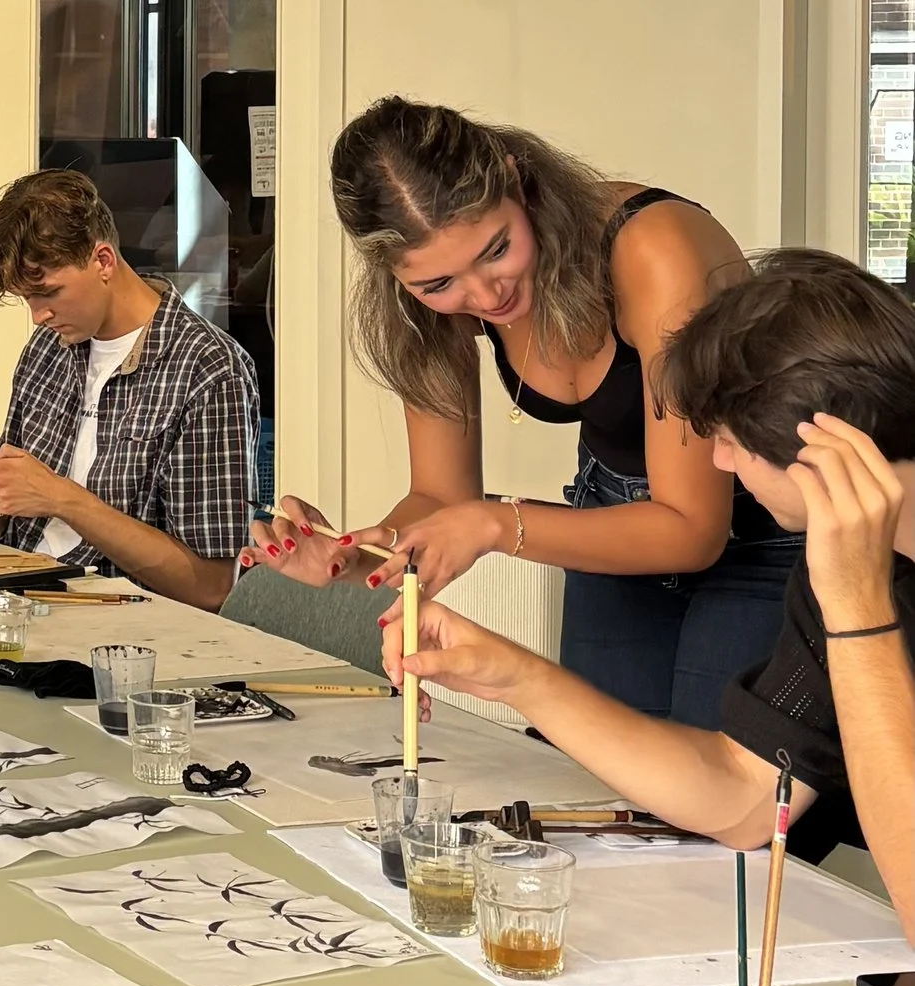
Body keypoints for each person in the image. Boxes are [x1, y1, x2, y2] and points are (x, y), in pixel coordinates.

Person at [388, 251, 915, 940]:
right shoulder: (846, 570)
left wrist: (858, 616)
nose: (720, 462)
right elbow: (745, 793)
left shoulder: (854, 588)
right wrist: (515, 675)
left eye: (729, 440)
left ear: (824, 449)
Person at [258, 96, 770, 726]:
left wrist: (497, 523)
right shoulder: (423, 308)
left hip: (767, 523)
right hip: (618, 521)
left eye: (496, 250)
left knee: (728, 795)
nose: (484, 294)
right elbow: (442, 498)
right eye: (438, 285)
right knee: (601, 782)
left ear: (514, 177)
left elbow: (693, 528)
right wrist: (352, 559)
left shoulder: (653, 250)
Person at [0, 168, 261, 608]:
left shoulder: (208, 370)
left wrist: (62, 498)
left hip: (125, 629)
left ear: (104, 261)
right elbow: (16, 529)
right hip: (13, 592)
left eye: (49, 293)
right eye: (27, 300)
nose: (38, 316)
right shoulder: (50, 347)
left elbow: (210, 586)